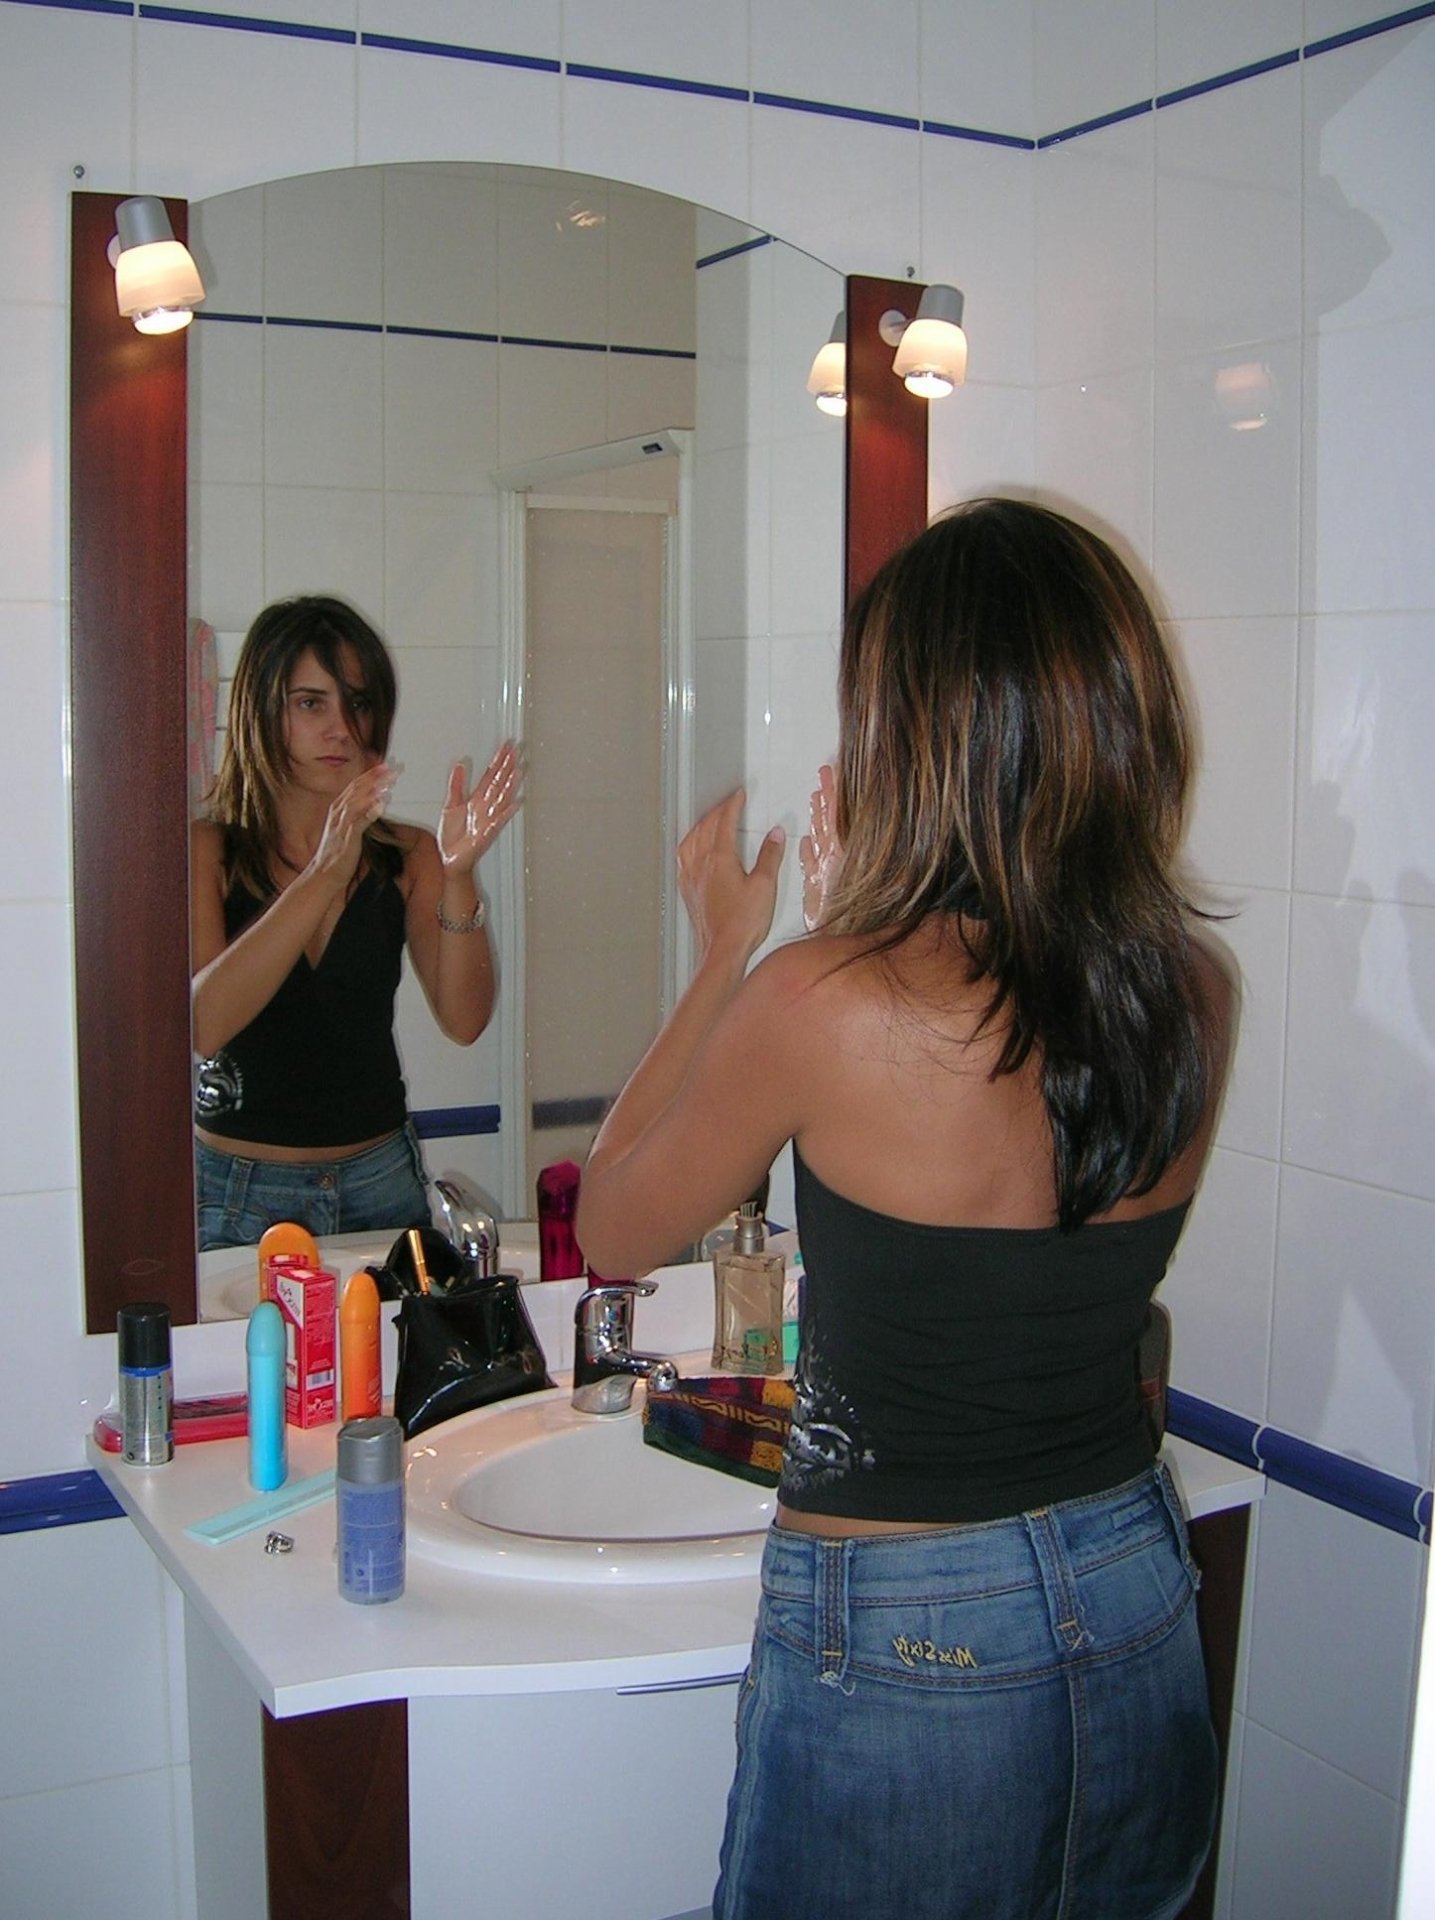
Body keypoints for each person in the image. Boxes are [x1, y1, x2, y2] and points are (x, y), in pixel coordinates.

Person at [575, 499, 1235, 1920]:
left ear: (916, 737)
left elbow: (611, 1231)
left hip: (916, 1636)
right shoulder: (1190, 991)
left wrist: (731, 951)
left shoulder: (821, 1001)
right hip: (1134, 1587)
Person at [191, 594, 521, 1251]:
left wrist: (458, 875)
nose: (341, 728)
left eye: (359, 703)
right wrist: (324, 875)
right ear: (261, 709)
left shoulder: (410, 855)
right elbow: (203, 1025)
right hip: (240, 1192)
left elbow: (465, 1021)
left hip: (380, 1182)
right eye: (311, 703)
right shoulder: (209, 851)